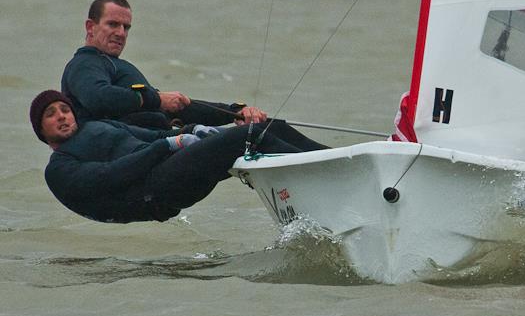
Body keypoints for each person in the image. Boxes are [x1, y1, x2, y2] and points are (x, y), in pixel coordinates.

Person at [31, 90, 326, 223]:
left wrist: (194, 131)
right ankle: (322, 175)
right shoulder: (59, 168)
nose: (62, 116)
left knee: (263, 128)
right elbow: (111, 176)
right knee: (242, 138)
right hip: (154, 191)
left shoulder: (97, 126)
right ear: (41, 130)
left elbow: (153, 137)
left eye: (64, 109)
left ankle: (334, 159)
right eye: (50, 114)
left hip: (170, 167)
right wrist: (169, 146)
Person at [61, 0, 268, 130]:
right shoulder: (85, 64)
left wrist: (235, 112)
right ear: (90, 27)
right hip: (128, 156)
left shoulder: (118, 67)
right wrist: (156, 99)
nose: (121, 33)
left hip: (157, 144)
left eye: (126, 27)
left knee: (264, 128)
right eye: (113, 24)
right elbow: (98, 98)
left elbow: (179, 108)